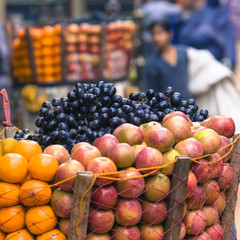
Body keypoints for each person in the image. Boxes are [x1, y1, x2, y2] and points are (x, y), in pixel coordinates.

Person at [178, 0, 236, 70]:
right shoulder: (183, 16)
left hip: (215, 66)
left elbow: (228, 39)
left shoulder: (216, 11)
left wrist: (229, 61)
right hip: (191, 66)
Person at [144, 19, 193, 100]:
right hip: (169, 110)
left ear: (170, 34)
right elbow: (151, 92)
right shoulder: (152, 64)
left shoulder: (184, 52)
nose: (156, 38)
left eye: (160, 33)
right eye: (153, 34)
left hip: (188, 105)